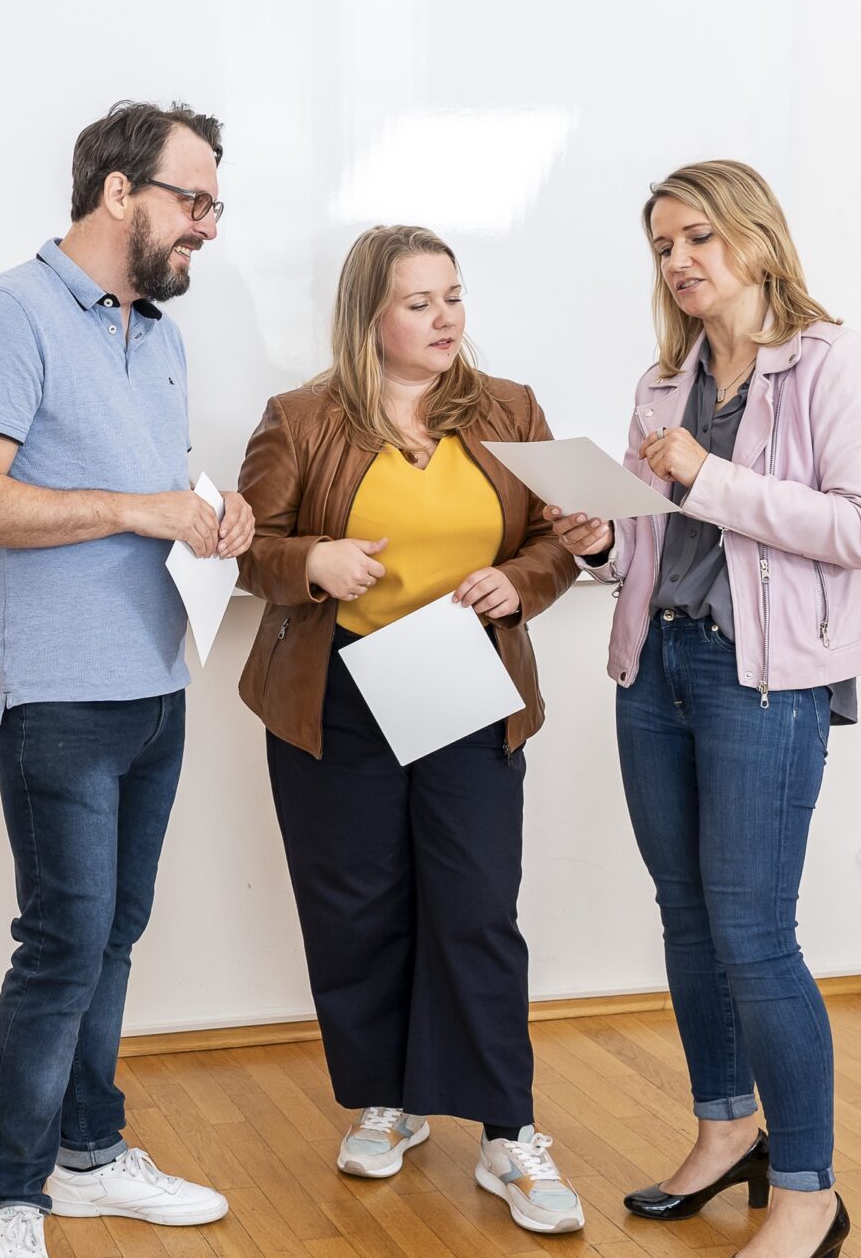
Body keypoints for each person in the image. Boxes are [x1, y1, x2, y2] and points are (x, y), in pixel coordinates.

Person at [546, 159, 861, 1258]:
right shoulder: (665, 381)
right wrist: (605, 540)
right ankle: (724, 1126)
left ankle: (805, 1189)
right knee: (687, 916)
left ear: (754, 237)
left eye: (698, 236)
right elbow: (661, 540)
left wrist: (706, 475)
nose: (680, 260)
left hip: (765, 681)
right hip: (660, 669)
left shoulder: (835, 363)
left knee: (754, 932)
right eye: (662, 245)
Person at [0, 100, 255, 1258]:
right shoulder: (6, 314)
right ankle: (9, 1198)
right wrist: (139, 506)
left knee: (113, 932)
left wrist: (213, 514)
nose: (209, 226)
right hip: (53, 696)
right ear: (119, 191)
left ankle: (88, 1154)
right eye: (194, 199)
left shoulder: (157, 333)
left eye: (216, 203)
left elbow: (149, 488)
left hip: (155, 683)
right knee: (63, 940)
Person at [234, 224, 583, 1235]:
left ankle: (510, 1132)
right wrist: (313, 561)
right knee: (358, 907)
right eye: (419, 302)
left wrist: (514, 582)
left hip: (465, 683)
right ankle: (387, 1100)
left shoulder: (511, 410)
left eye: (454, 297)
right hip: (336, 690)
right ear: (368, 317)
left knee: (475, 905)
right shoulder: (299, 418)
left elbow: (554, 547)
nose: (444, 319)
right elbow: (247, 544)